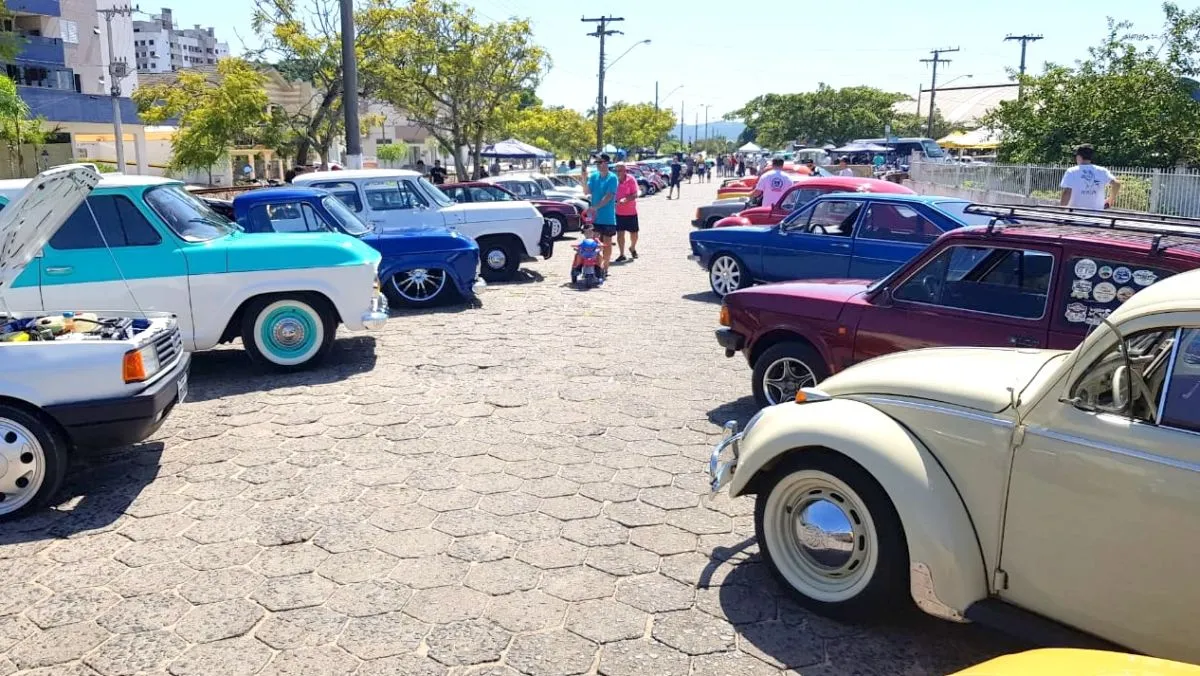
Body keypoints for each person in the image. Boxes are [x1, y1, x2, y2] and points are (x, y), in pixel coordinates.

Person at [583, 154, 619, 276]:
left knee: (607, 243)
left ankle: (606, 266)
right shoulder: (594, 177)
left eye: (600, 162)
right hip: (595, 218)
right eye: (596, 163)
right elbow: (587, 191)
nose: (598, 165)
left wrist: (595, 207)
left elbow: (609, 196)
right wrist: (584, 178)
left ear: (606, 163)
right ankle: (597, 265)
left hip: (608, 217)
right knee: (595, 243)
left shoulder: (612, 178)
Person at [1060, 144, 1121, 210]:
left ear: (1079, 157)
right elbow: (1116, 184)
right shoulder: (1102, 171)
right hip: (1097, 216)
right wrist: (1110, 199)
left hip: (1075, 215)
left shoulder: (1071, 171)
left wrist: (1062, 209)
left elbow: (1067, 192)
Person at [613, 162, 640, 262]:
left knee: (634, 234)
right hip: (619, 213)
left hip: (631, 212)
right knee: (620, 234)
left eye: (620, 170)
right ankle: (621, 254)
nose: (618, 172)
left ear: (625, 171)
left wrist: (626, 199)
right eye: (616, 170)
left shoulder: (631, 179)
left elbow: (635, 194)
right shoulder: (614, 181)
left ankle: (632, 248)